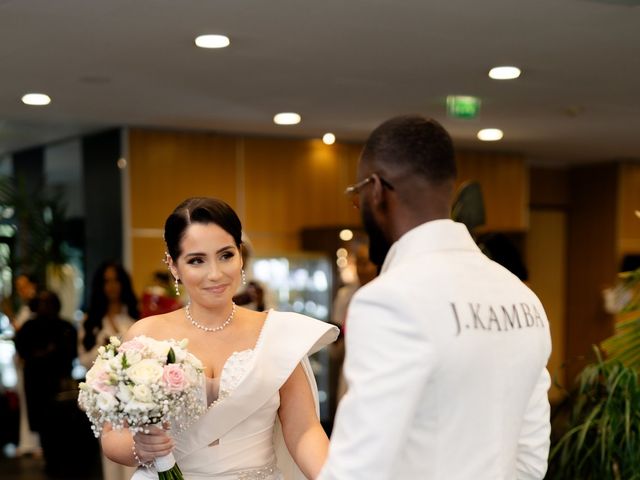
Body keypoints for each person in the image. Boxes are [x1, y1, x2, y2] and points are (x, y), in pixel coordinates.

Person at [319, 115, 552, 480]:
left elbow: (357, 468)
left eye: (357, 195)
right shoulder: (522, 297)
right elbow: (531, 458)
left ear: (377, 189)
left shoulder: (387, 300)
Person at [100, 197, 338, 480]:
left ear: (240, 255)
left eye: (226, 255)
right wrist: (141, 446)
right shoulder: (145, 335)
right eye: (196, 260)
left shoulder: (275, 334)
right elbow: (113, 436)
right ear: (174, 266)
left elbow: (304, 430)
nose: (215, 274)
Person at [79, 261, 140, 480]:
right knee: (111, 456)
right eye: (106, 281)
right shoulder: (91, 322)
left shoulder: (134, 318)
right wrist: (102, 348)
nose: (112, 286)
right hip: (106, 396)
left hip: (135, 397)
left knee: (135, 454)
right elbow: (84, 360)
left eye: (116, 280)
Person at [14, 290, 78, 475]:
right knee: (42, 424)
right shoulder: (29, 327)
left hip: (58, 385)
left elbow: (70, 353)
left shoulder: (65, 327)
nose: (45, 306)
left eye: (49, 302)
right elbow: (23, 350)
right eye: (42, 302)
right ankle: (50, 460)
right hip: (36, 383)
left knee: (61, 424)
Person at [10, 273, 41, 457]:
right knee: (25, 400)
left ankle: (36, 442)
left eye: (24, 285)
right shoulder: (24, 309)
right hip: (23, 362)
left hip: (33, 364)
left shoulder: (36, 309)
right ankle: (27, 441)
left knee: (33, 400)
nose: (21, 290)